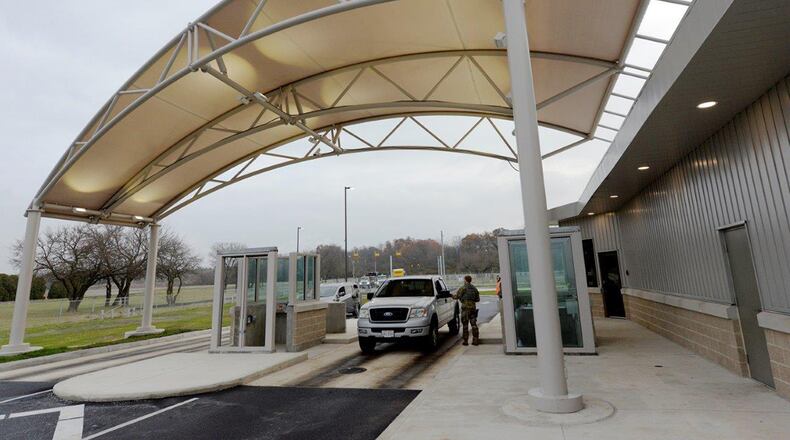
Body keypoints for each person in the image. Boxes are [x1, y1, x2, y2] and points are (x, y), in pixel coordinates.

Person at [453, 275, 480, 346]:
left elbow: (457, 296)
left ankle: (465, 341)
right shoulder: (474, 288)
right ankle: (475, 340)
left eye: (464, 279)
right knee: (474, 325)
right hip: (473, 309)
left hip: (465, 309)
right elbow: (477, 299)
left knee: (465, 325)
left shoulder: (463, 288)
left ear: (465, 280)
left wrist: (451, 295)